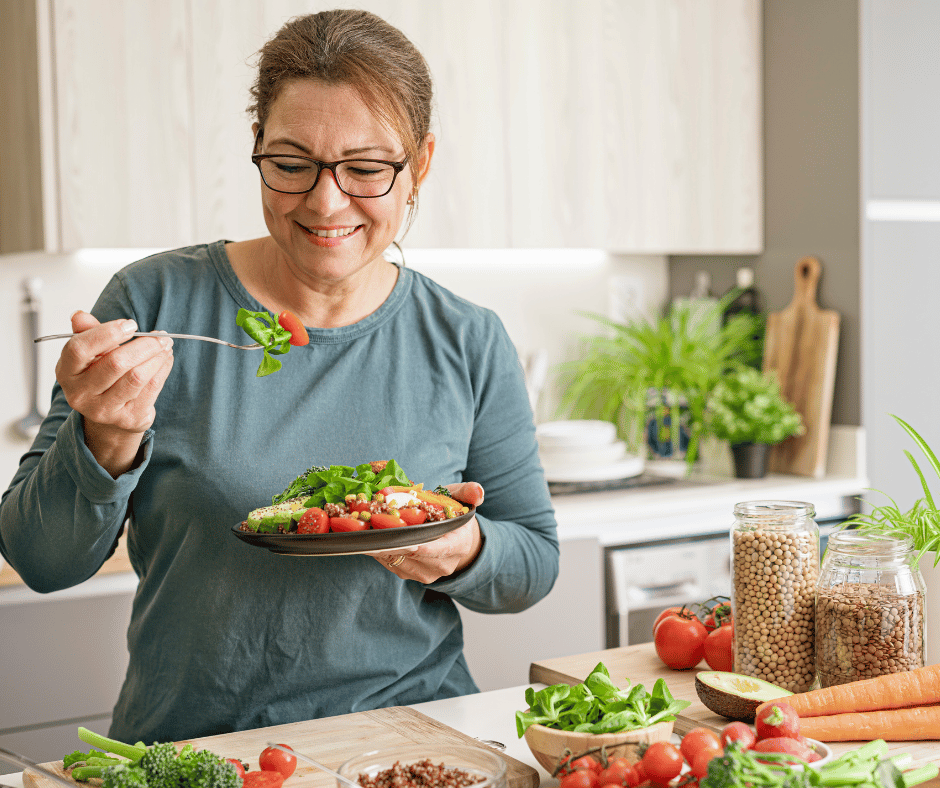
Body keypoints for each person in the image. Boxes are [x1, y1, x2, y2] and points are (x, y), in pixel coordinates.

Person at [0, 10, 558, 743]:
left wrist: (463, 549)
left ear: (419, 164)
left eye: (365, 168)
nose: (326, 203)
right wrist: (103, 439)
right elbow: (40, 560)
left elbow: (534, 561)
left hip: (407, 743)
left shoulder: (467, 337)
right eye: (292, 163)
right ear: (257, 149)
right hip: (197, 751)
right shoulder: (153, 305)